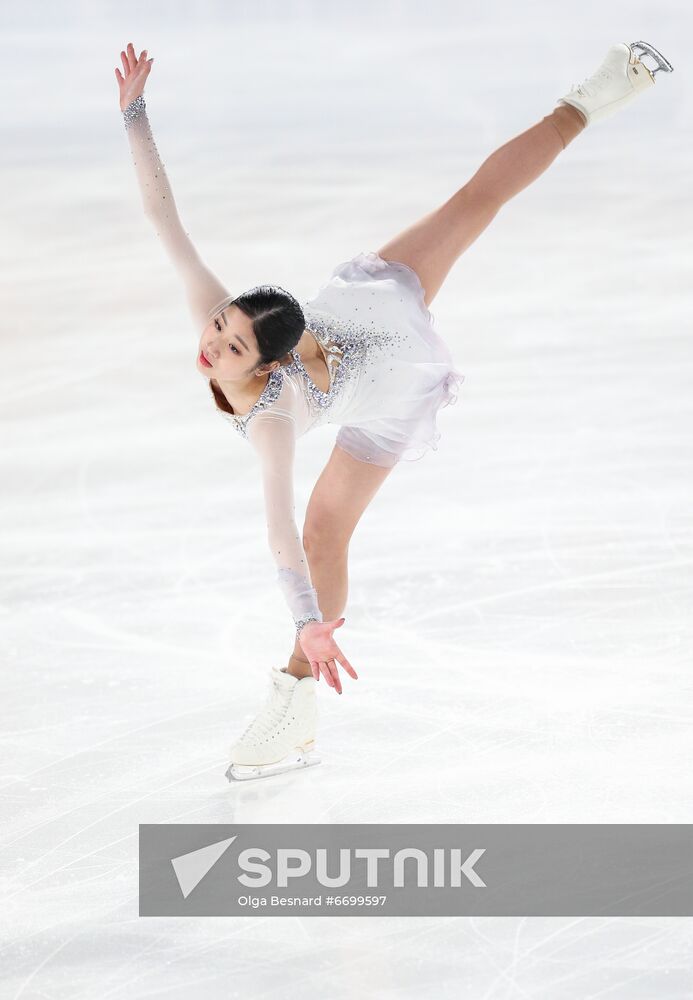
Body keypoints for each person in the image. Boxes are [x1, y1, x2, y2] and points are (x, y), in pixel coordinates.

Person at [116, 39, 673, 780]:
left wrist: (307, 621)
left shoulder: (275, 417)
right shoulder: (226, 321)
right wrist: (134, 113)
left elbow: (281, 529)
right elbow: (164, 219)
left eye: (232, 348)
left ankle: (295, 691)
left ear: (271, 365)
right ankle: (593, 97)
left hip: (390, 377)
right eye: (220, 331)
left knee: (324, 531)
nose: (212, 348)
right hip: (362, 309)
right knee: (472, 203)